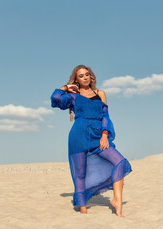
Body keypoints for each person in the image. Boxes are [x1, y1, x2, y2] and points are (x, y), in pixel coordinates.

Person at [50, 65, 132, 217]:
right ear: (76, 80)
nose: (85, 77)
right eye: (81, 76)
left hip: (97, 136)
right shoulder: (72, 96)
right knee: (80, 173)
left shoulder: (100, 93)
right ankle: (83, 209)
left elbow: (105, 116)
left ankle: (117, 201)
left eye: (87, 74)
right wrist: (66, 87)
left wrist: (105, 134)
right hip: (78, 136)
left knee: (120, 162)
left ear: (91, 76)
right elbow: (55, 98)